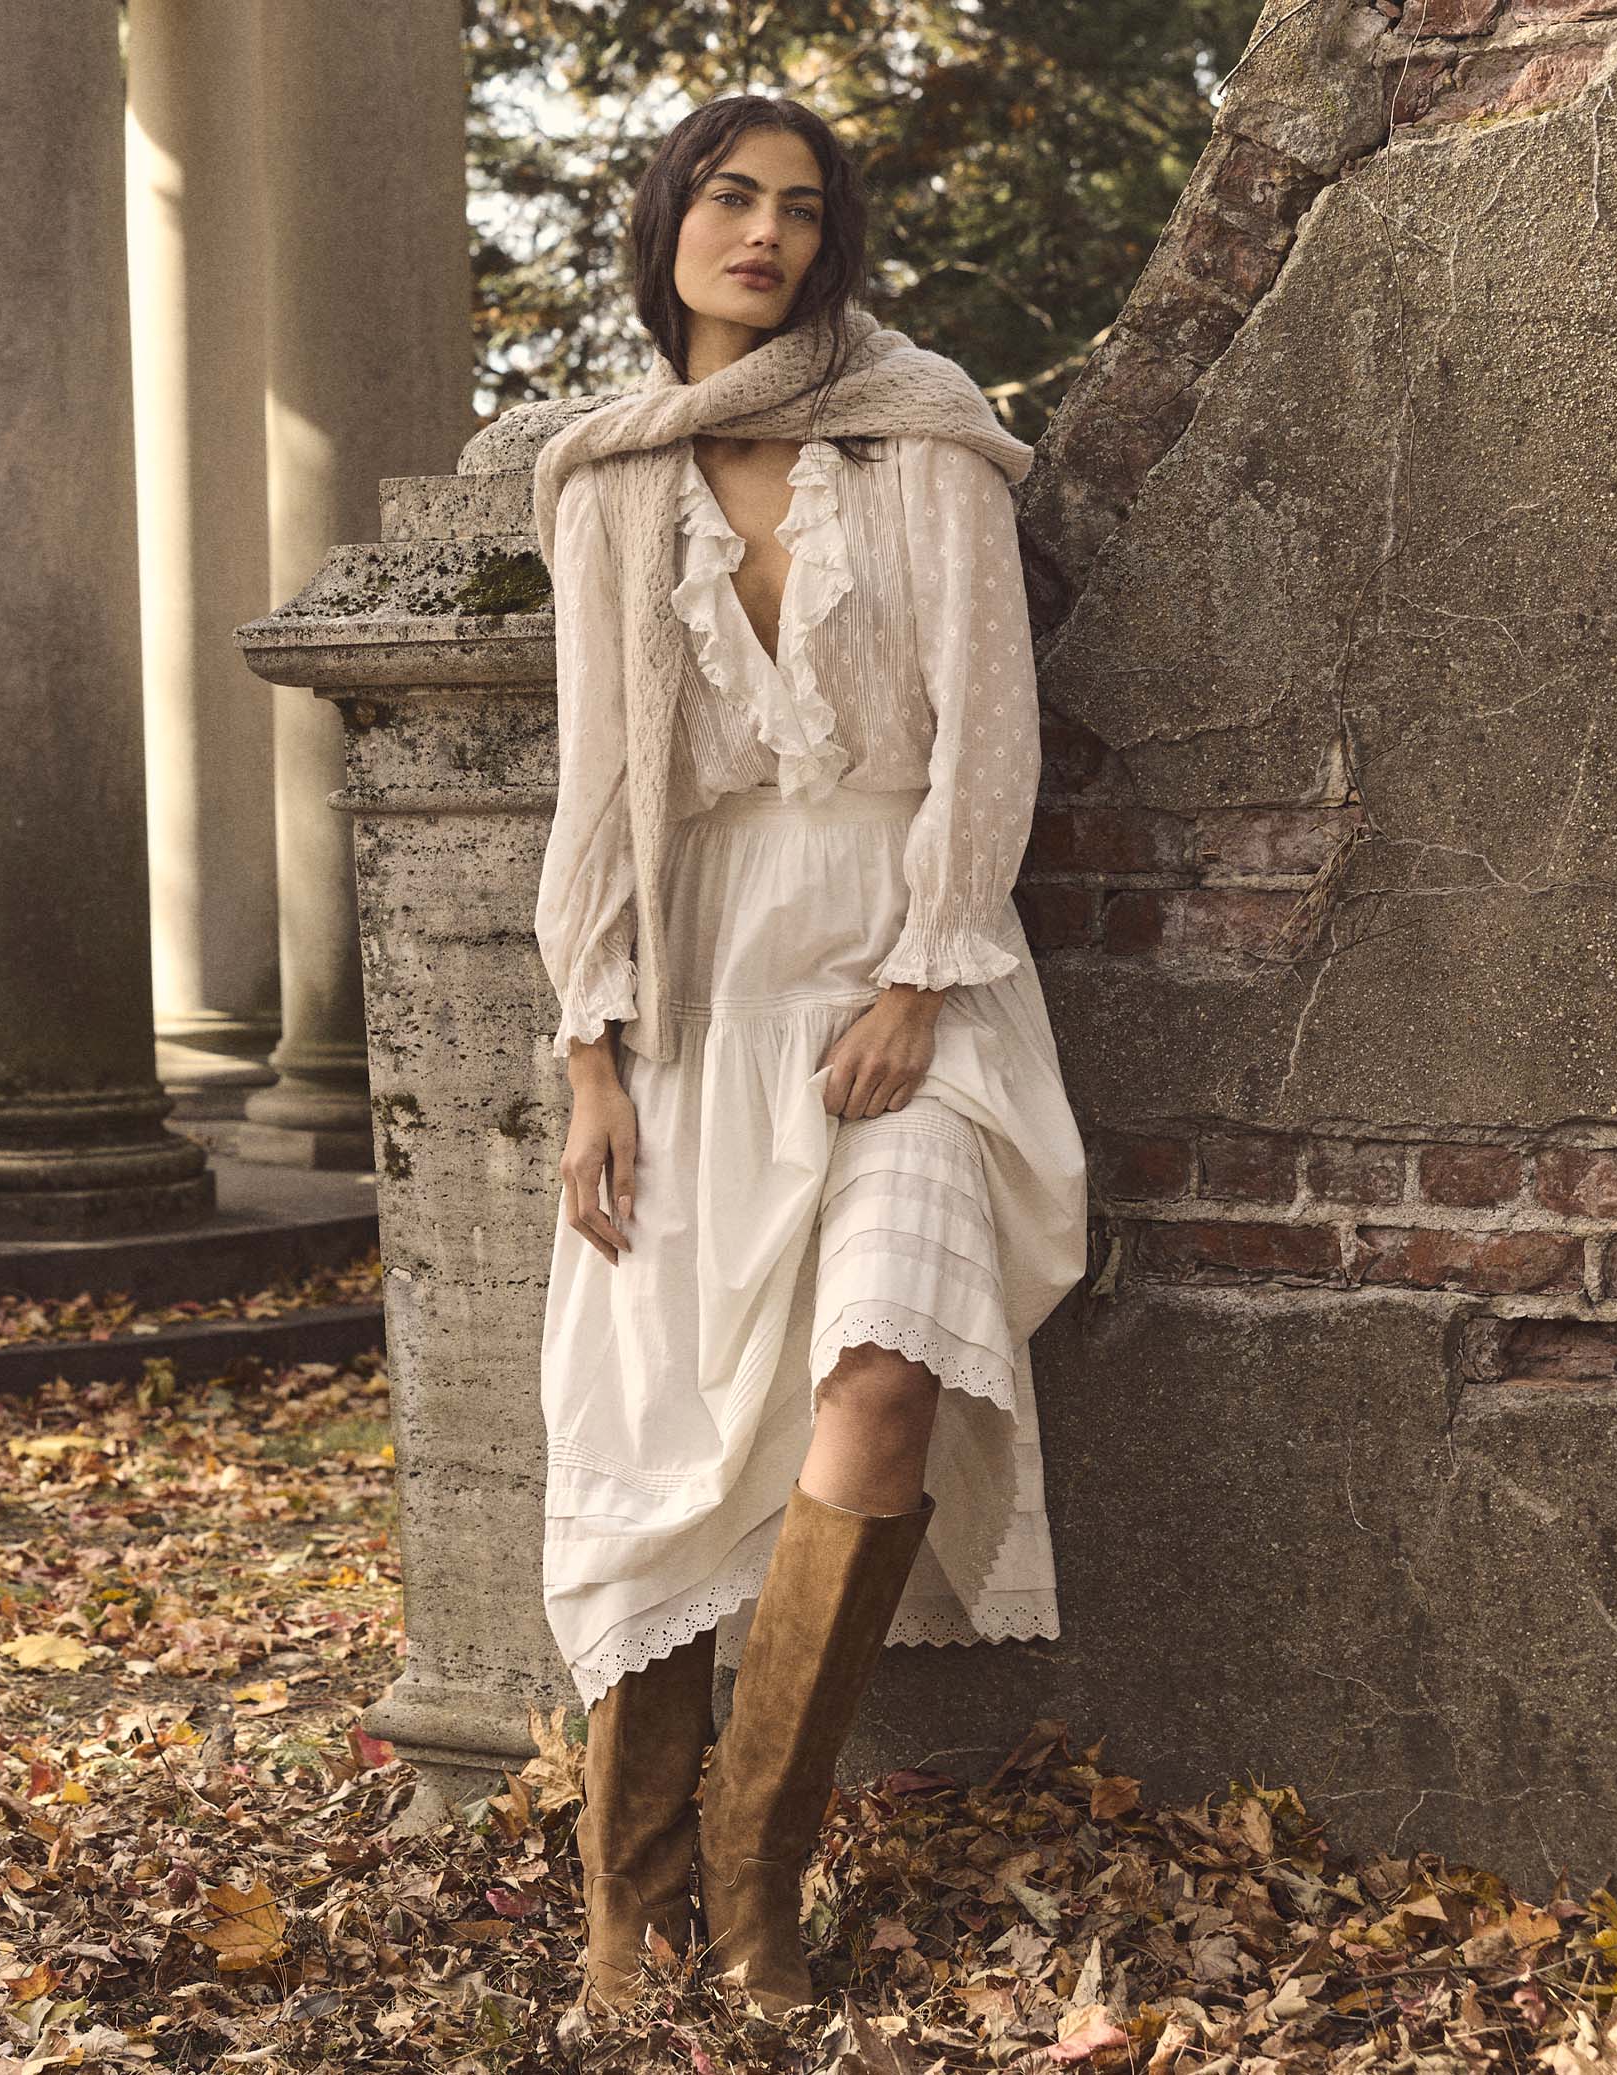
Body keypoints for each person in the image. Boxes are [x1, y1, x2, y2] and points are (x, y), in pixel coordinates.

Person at [529, 91, 1088, 2023]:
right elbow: (601, 786)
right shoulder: (606, 480)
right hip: (694, 992)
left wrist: (928, 974)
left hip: (911, 975)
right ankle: (631, 1909)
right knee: (665, 1447)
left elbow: (988, 731)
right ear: (667, 223)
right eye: (727, 197)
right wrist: (591, 1052)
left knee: (878, 1389)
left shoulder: (920, 437)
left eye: (801, 207)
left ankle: (760, 1881)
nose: (762, 233)